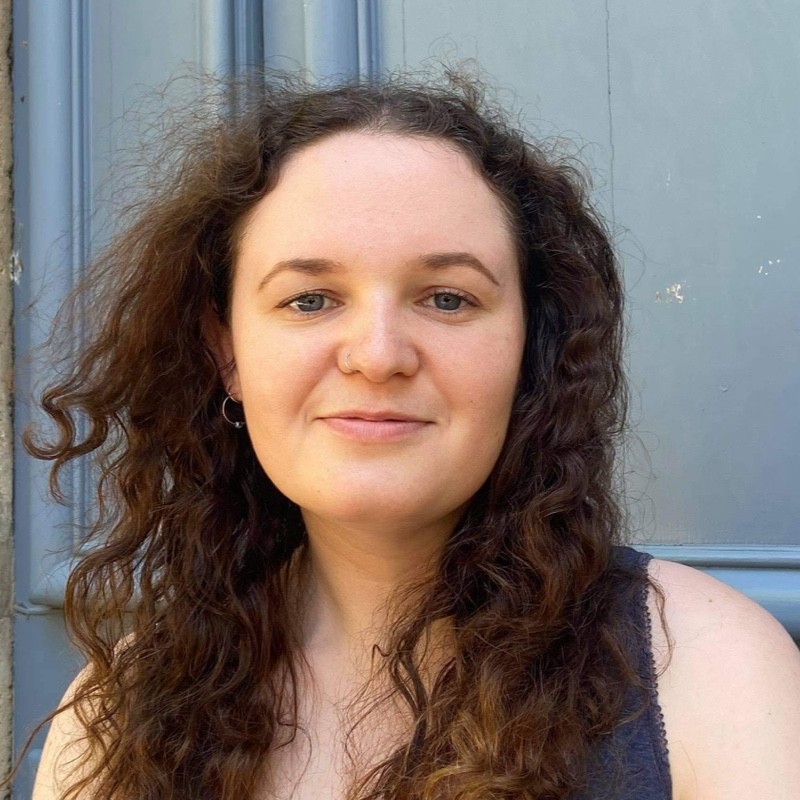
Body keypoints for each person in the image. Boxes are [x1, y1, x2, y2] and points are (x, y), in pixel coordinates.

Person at [25, 71, 800, 800]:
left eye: (447, 299)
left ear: (531, 347)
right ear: (226, 353)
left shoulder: (703, 669)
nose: (378, 355)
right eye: (309, 299)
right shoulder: (115, 717)